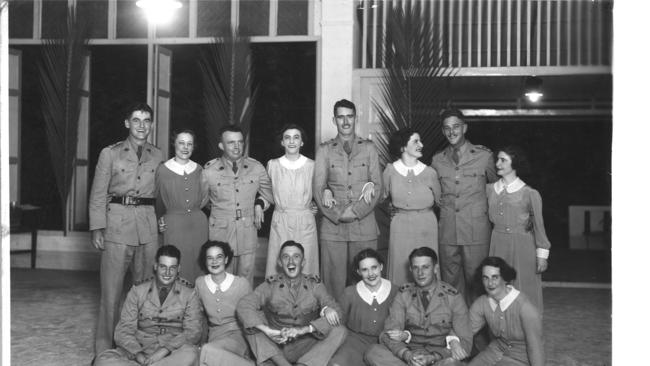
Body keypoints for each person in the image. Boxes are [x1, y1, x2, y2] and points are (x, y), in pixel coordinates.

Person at [89, 102, 165, 354]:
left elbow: (162, 194)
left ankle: (137, 345)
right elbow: (98, 194)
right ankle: (104, 349)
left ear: (152, 125)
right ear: (127, 123)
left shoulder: (158, 155)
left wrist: (164, 219)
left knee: (145, 291)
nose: (142, 126)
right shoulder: (109, 153)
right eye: (136, 120)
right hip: (117, 227)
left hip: (147, 226)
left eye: (146, 121)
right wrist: (97, 228)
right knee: (111, 293)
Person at [313, 99, 382, 300]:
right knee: (332, 283)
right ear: (334, 120)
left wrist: (355, 212)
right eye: (341, 117)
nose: (345, 122)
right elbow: (318, 189)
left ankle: (361, 323)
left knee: (365, 282)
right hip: (333, 228)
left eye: (349, 116)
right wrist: (340, 214)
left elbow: (377, 187)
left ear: (355, 119)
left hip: (364, 226)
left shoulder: (369, 148)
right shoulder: (325, 150)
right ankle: (333, 324)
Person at [237, 240, 347, 366]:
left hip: (305, 344)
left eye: (296, 257)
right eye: (286, 257)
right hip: (275, 345)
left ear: (303, 262)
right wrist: (268, 331)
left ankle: (304, 364)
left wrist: (308, 326)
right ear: (279, 262)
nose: (291, 262)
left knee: (339, 330)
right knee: (250, 326)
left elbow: (338, 312)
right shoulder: (270, 285)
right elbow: (244, 304)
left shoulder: (314, 284)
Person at [93, 245, 202, 366]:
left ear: (178, 269)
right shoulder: (138, 291)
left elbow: (193, 332)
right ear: (155, 266)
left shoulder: (189, 293)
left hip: (172, 352)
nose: (167, 273)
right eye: (163, 267)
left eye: (172, 268)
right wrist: (138, 355)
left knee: (190, 355)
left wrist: (164, 350)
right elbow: (124, 329)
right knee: (102, 360)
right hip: (140, 349)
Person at [430, 108, 497, 304]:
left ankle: (478, 330)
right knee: (450, 284)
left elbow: (495, 191)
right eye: (447, 128)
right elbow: (434, 195)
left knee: (478, 282)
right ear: (443, 131)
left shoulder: (484, 157)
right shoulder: (437, 160)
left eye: (456, 127)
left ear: (465, 128)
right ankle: (454, 330)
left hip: (476, 231)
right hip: (448, 231)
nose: (452, 132)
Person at [365, 247, 471, 366]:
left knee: (452, 363)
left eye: (425, 267)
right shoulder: (403, 294)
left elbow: (465, 342)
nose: (420, 273)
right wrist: (406, 355)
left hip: (440, 356)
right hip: (411, 354)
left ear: (435, 269)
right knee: (373, 352)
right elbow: (388, 334)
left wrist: (432, 358)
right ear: (410, 269)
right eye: (416, 268)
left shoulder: (453, 297)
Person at [201, 125, 274, 285]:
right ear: (221, 145)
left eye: (240, 142)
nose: (237, 146)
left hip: (247, 230)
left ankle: (244, 309)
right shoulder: (209, 170)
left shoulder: (256, 167)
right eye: (231, 142)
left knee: (245, 276)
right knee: (221, 274)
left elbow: (270, 195)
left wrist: (259, 204)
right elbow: (201, 202)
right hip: (221, 231)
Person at [487, 146, 550, 312]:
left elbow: (539, 226)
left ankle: (529, 331)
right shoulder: (489, 190)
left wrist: (542, 256)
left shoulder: (530, 193)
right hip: (497, 243)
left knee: (524, 289)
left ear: (515, 163)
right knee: (498, 287)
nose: (498, 163)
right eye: (497, 159)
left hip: (523, 246)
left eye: (503, 160)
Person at [382, 129, 442, 285]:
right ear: (403, 147)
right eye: (416, 141)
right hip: (400, 226)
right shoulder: (390, 171)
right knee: (400, 268)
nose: (421, 144)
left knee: (426, 268)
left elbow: (441, 202)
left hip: (426, 226)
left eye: (420, 141)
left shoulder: (430, 173)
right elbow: (379, 198)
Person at [464, 256, 545, 366]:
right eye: (485, 278)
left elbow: (535, 348)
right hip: (494, 352)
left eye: (495, 277)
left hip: (522, 358)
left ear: (505, 278)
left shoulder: (525, 308)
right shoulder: (482, 303)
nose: (490, 283)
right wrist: (453, 341)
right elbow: (465, 330)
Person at [155, 129, 209, 283]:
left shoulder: (199, 169)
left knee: (198, 265)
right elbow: (158, 201)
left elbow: (205, 196)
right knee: (174, 263)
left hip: (198, 224)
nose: (185, 147)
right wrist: (159, 220)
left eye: (189, 144)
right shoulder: (163, 169)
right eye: (181, 143)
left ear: (193, 147)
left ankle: (196, 304)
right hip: (173, 224)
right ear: (174, 144)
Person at [265, 124, 318, 277]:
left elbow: (320, 192)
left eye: (296, 137)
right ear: (282, 142)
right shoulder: (272, 165)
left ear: (302, 142)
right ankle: (279, 300)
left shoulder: (311, 166)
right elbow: (266, 193)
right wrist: (258, 204)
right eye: (287, 138)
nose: (292, 141)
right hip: (281, 220)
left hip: (305, 221)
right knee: (281, 263)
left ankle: (307, 300)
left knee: (306, 263)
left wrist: (315, 206)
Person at [329, 249, 398, 366]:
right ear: (358, 272)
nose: (370, 274)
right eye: (364, 270)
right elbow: (338, 320)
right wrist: (327, 310)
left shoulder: (396, 291)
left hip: (386, 344)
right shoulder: (350, 292)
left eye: (374, 267)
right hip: (355, 343)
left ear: (381, 267)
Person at [195, 241, 254, 366]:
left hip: (237, 335)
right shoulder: (200, 283)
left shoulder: (241, 284)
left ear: (226, 259)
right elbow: (198, 316)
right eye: (210, 258)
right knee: (206, 353)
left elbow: (253, 316)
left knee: (206, 351)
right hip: (214, 336)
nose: (214, 262)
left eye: (219, 257)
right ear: (205, 262)